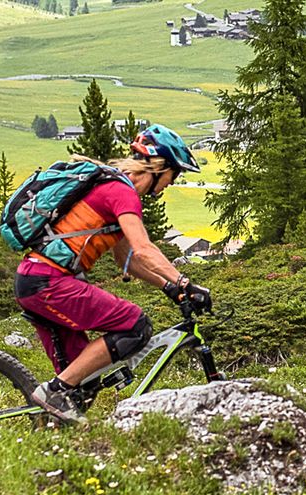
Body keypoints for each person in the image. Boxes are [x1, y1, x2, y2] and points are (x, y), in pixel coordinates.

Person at [14, 124, 211, 422]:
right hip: (48, 282)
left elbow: (128, 260)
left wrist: (169, 288)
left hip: (38, 280)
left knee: (85, 382)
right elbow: (143, 248)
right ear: (159, 167)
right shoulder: (122, 193)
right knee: (135, 326)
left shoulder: (114, 189)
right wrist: (184, 281)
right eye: (175, 173)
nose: (173, 182)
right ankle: (55, 391)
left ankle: (52, 428)